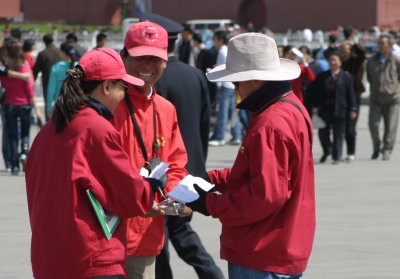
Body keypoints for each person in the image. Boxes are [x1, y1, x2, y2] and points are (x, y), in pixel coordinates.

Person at [25, 48, 163, 279]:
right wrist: (152, 182)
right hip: (90, 257)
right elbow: (131, 195)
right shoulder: (96, 128)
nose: (124, 95)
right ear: (107, 87)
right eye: (123, 88)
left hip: (48, 258)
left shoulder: (49, 130)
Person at [187, 33, 316, 279]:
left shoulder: (270, 122)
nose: (235, 90)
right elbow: (260, 173)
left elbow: (265, 196)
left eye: (237, 83)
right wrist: (211, 178)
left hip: (263, 249)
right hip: (283, 242)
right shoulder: (291, 106)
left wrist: (208, 203)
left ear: (256, 80)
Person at [140, 13, 224, 279]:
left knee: (160, 234)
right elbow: (203, 126)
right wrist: (198, 167)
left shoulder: (154, 81)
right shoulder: (196, 74)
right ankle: (212, 274)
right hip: (190, 168)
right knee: (179, 230)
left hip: (164, 171)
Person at [113, 21, 189, 279]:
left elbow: (176, 163)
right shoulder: (109, 103)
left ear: (165, 62)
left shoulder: (166, 109)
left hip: (146, 236)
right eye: (139, 57)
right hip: (107, 234)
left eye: (154, 59)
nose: (147, 66)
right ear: (123, 57)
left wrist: (174, 196)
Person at [0, 39, 42, 175]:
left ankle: (14, 165)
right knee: (25, 133)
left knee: (12, 136)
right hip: (24, 104)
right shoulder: (24, 65)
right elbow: (29, 89)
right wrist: (36, 107)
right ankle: (24, 152)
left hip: (9, 104)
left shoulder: (5, 67)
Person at [308, 51, 357, 164]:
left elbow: (351, 94)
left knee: (338, 134)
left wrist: (353, 109)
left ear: (340, 62)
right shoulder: (322, 76)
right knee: (323, 134)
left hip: (340, 110)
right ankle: (327, 150)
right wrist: (313, 107)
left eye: (335, 60)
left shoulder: (346, 77)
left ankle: (336, 156)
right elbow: (314, 93)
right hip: (324, 109)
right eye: (331, 60)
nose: (332, 62)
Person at [367, 34, 400, 160]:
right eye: (379, 43)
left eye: (383, 43)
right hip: (375, 98)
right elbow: (370, 77)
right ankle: (376, 147)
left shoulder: (396, 60)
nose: (380, 46)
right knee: (373, 124)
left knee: (390, 126)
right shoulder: (371, 61)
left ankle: (387, 149)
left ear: (390, 45)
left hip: (393, 99)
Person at [209, 30, 242, 146]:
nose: (214, 42)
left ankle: (220, 137)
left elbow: (224, 68)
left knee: (222, 112)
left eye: (215, 40)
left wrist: (217, 68)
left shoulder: (222, 51)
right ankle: (237, 135)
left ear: (220, 40)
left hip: (224, 84)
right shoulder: (228, 50)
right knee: (231, 111)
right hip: (230, 85)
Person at [340, 41, 366, 161]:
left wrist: (354, 43)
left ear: (351, 50)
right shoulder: (338, 61)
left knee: (350, 127)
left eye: (347, 49)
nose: (345, 51)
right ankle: (337, 152)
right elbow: (327, 53)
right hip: (340, 97)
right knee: (339, 126)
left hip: (354, 97)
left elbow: (362, 53)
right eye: (343, 49)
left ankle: (351, 152)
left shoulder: (356, 61)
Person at [46, 42, 78, 117]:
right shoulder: (79, 66)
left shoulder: (56, 67)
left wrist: (49, 108)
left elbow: (51, 90)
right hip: (76, 105)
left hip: (60, 105)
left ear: (63, 52)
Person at [33, 34, 61, 107]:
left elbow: (36, 69)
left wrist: (32, 81)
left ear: (44, 42)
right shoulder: (60, 52)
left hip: (47, 82)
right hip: (61, 81)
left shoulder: (42, 54)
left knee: (48, 104)